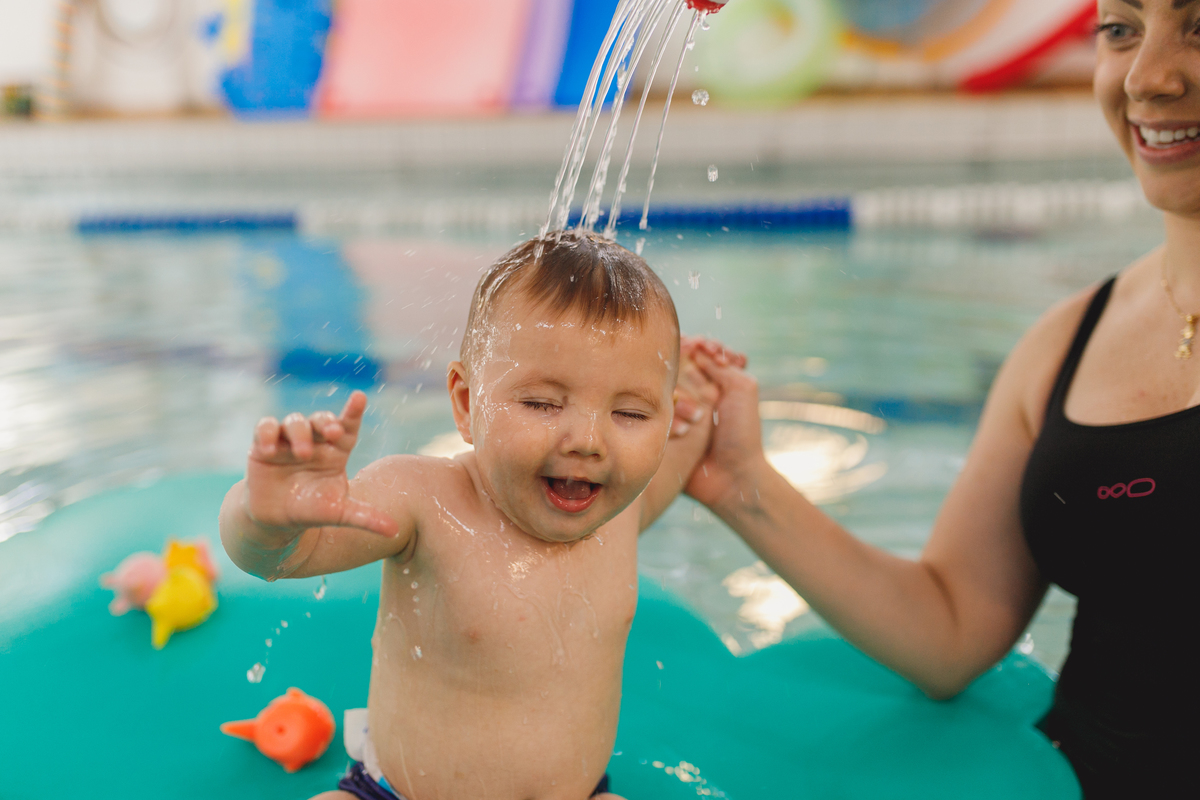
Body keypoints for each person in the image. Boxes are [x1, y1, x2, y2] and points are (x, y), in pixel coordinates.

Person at [676, 2, 1197, 796]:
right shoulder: (1065, 342)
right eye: (1121, 29)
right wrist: (739, 481)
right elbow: (952, 628)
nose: (1146, 79)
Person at [219, 231, 718, 800]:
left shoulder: (618, 511)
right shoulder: (422, 499)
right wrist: (266, 516)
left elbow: (685, 447)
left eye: (631, 413)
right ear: (465, 401)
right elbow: (280, 558)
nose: (588, 440)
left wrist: (706, 392)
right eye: (541, 403)